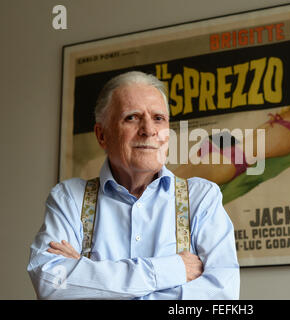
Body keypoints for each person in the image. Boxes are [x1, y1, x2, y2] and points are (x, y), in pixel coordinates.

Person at [27, 71, 240, 300]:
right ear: (102, 135)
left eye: (158, 118)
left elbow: (221, 295)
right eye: (132, 118)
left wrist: (88, 275)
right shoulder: (69, 198)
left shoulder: (202, 198)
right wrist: (172, 270)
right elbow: (51, 283)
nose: (149, 130)